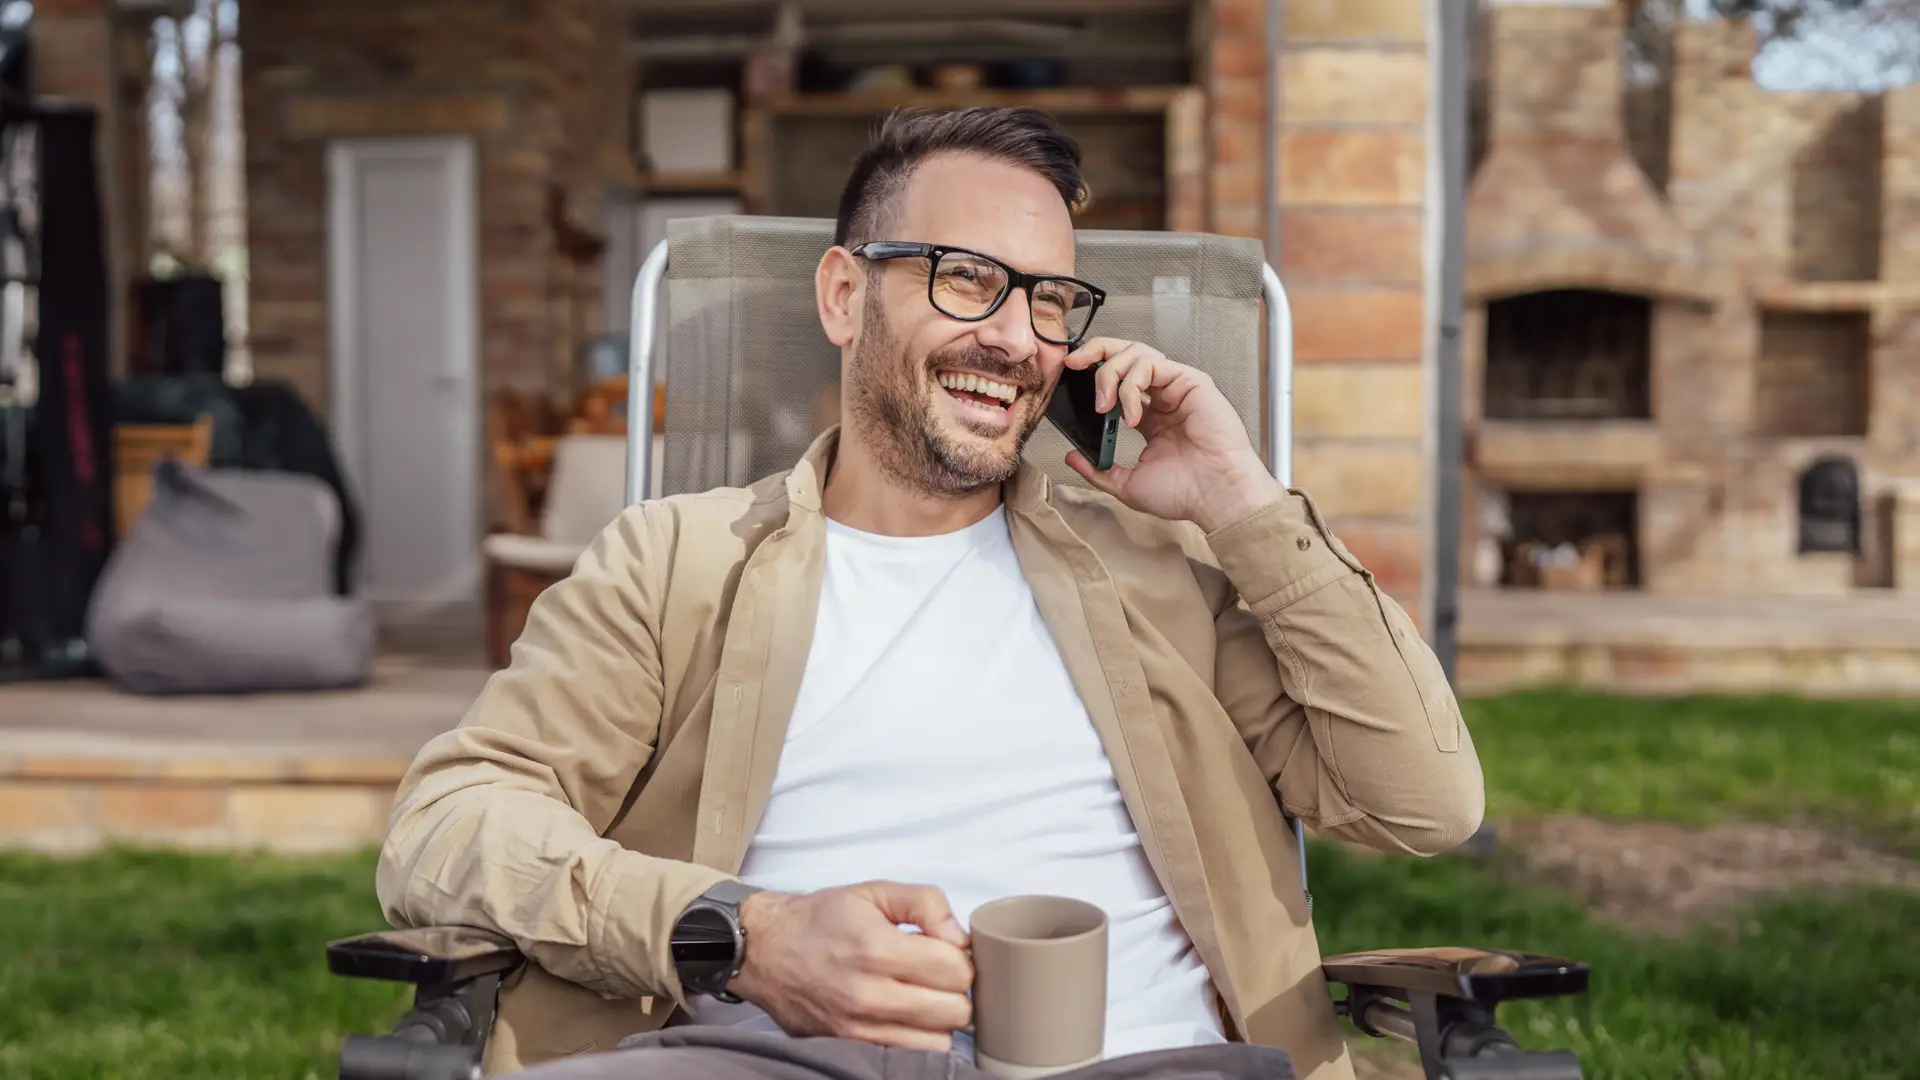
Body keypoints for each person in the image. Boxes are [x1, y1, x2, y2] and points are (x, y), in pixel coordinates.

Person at [377, 106, 1483, 1080]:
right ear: (845, 295)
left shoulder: (1166, 574)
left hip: (1138, 1059)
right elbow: (445, 830)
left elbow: (1426, 802)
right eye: (966, 279)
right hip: (758, 1054)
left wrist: (1241, 502)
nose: (1013, 339)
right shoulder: (675, 563)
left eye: (1052, 301)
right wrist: (741, 936)